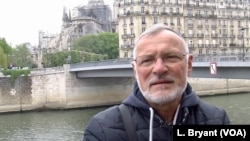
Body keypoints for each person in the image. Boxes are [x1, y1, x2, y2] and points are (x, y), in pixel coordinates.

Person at [83, 24, 230, 141]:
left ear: (189, 64)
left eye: (171, 57)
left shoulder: (217, 120)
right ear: (135, 70)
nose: (159, 69)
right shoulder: (101, 130)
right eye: (147, 60)